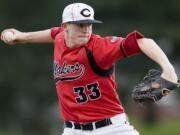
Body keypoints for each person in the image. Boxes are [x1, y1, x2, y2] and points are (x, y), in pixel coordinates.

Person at [1, 2, 178, 135]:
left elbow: (143, 42)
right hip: (72, 130)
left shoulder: (99, 47)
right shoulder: (60, 37)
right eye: (80, 24)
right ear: (65, 27)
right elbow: (44, 34)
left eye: (89, 24)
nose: (86, 29)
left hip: (111, 129)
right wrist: (18, 36)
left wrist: (168, 69)